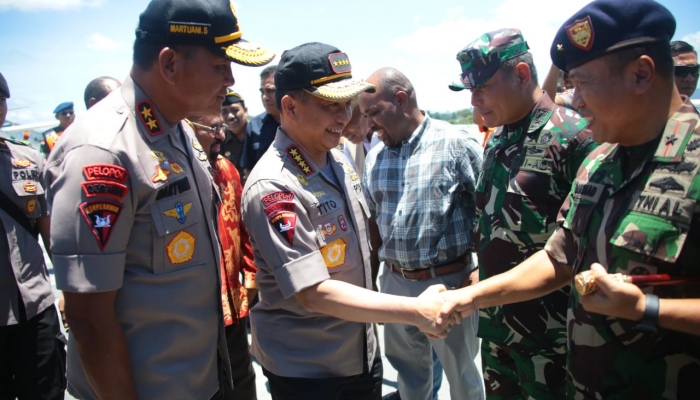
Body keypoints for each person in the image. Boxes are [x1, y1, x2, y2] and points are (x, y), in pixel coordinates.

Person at [440, 1, 700, 398]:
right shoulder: (599, 162)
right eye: (569, 85)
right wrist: (471, 295)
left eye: (582, 83)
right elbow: (558, 257)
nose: (572, 100)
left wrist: (648, 309)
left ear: (641, 74)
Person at [43, 0, 274, 398]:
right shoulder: (104, 150)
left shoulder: (176, 131)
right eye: (220, 67)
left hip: (203, 379)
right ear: (169, 65)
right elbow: (89, 320)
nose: (231, 81)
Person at [241, 42, 457, 400]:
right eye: (330, 106)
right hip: (311, 371)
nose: (344, 118)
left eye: (346, 105)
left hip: (360, 353)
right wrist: (414, 311)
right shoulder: (275, 186)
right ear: (290, 106)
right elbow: (314, 292)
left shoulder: (337, 158)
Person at [449, 28, 597, 399]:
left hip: (551, 339)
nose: (474, 100)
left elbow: (579, 248)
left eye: (482, 86)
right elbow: (498, 221)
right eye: (469, 90)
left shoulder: (574, 137)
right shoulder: (499, 137)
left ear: (521, 75)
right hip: (498, 331)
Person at [360, 67, 484, 400]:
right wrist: (375, 287)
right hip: (395, 284)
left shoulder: (456, 143)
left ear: (401, 100)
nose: (368, 124)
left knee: (462, 377)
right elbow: (374, 225)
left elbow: (487, 212)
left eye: (373, 113)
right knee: (409, 374)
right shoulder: (375, 158)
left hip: (449, 284)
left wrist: (478, 276)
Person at [0, 72, 66, 400]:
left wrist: (71, 290)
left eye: (0, 100)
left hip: (35, 309)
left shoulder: (27, 161)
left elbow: (51, 234)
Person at [188, 114, 258, 400]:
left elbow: (243, 227)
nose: (220, 136)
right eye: (212, 129)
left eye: (221, 128)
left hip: (233, 303)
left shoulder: (226, 169)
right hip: (192, 312)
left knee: (240, 380)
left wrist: (252, 276)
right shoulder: (170, 172)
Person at [240, 65, 281, 180]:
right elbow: (249, 168)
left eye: (270, 91)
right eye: (262, 91)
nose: (264, 97)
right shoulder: (254, 126)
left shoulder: (301, 122)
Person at [341, 102, 379, 177]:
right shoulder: (350, 146)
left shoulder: (395, 136)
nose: (341, 133)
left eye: (345, 123)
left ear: (363, 109)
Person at [220, 89, 248, 178]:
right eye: (224, 112)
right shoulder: (219, 140)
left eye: (234, 110)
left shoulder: (260, 134)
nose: (230, 116)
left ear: (245, 111)